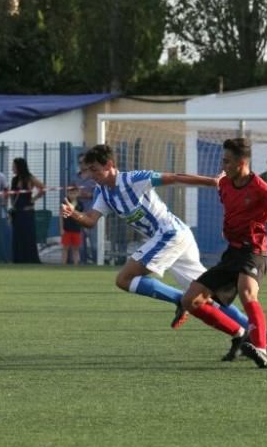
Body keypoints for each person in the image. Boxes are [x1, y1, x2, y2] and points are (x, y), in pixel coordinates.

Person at [62, 143, 252, 335]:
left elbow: (175, 177)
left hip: (171, 234)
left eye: (95, 170)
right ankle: (252, 330)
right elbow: (90, 220)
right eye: (89, 171)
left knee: (124, 279)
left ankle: (180, 299)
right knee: (208, 293)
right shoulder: (102, 192)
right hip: (175, 237)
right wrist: (73, 213)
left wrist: (212, 181)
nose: (92, 175)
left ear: (109, 164)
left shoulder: (133, 179)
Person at [179, 138, 267, 369]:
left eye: (226, 161)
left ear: (242, 162)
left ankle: (261, 349)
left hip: (254, 251)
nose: (222, 165)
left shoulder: (263, 189)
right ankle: (240, 332)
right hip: (232, 253)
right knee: (190, 300)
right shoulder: (224, 183)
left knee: (247, 293)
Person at [9, 157, 45, 264]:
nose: (13, 168)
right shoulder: (14, 180)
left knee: (28, 235)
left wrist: (34, 199)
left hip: (27, 211)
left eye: (14, 166)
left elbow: (42, 188)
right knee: (17, 236)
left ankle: (30, 259)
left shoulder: (29, 178)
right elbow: (12, 194)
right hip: (17, 211)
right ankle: (18, 259)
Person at [70, 153, 98, 263]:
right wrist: (74, 195)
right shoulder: (75, 178)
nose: (82, 164)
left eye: (84, 162)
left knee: (94, 243)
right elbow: (70, 193)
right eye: (80, 162)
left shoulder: (94, 177)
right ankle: (83, 264)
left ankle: (97, 263)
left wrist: (88, 195)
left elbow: (101, 194)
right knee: (80, 244)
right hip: (79, 213)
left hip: (92, 213)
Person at [60, 185, 84, 265]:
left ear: (78, 193)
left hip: (77, 229)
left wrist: (82, 226)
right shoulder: (64, 203)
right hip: (67, 229)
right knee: (65, 247)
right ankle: (63, 263)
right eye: (70, 193)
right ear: (67, 193)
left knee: (76, 248)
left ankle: (76, 264)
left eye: (74, 193)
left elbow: (82, 216)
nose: (72, 194)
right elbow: (61, 216)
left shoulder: (80, 204)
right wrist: (61, 228)